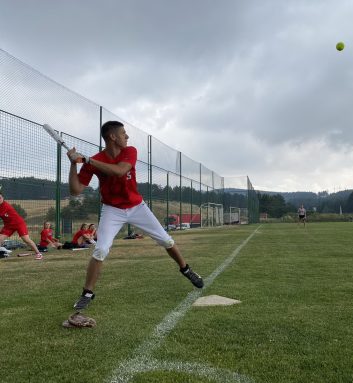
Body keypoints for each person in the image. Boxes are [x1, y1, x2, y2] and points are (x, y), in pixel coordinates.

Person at [67, 120, 203, 313]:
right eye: (123, 133)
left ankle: (186, 269)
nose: (127, 136)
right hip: (112, 210)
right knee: (100, 250)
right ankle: (87, 293)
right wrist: (74, 165)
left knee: (166, 240)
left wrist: (87, 159)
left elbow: (120, 170)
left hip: (137, 207)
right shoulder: (94, 160)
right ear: (113, 137)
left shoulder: (129, 151)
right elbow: (75, 190)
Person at [0, 191, 44, 260]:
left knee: (26, 240)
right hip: (8, 225)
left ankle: (38, 254)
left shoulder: (5, 205)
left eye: (0, 198)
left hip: (19, 223)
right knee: (0, 238)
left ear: (3, 198)